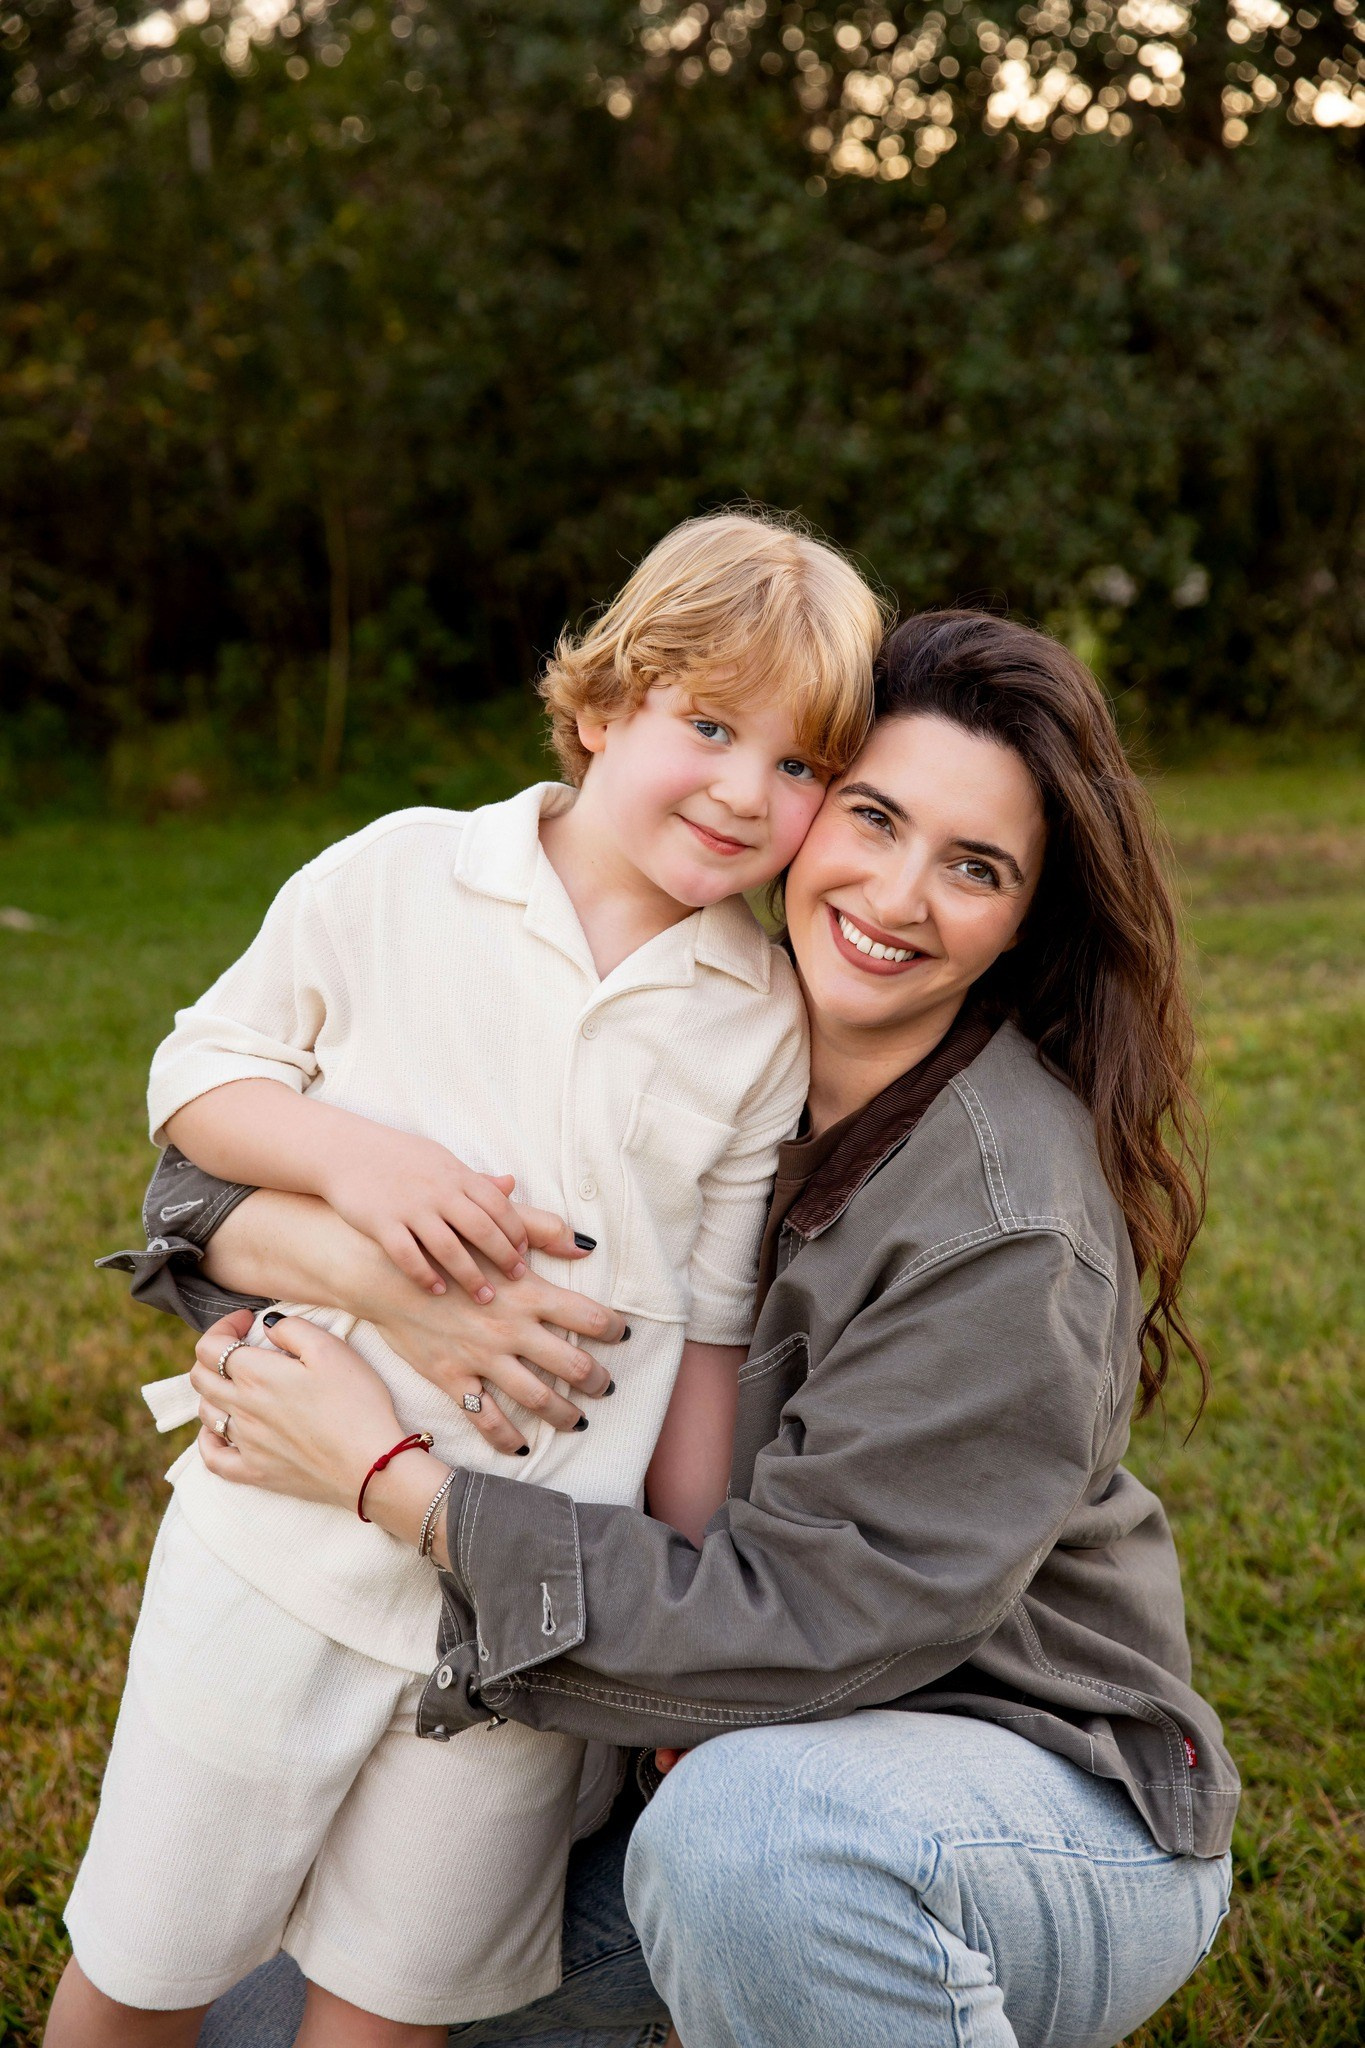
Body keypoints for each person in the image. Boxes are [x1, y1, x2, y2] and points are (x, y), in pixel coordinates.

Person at [102, 612, 1240, 2048]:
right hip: (683, 1754)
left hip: (995, 1781)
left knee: (753, 1853)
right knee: (238, 2031)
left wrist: (388, 1478)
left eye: (975, 868)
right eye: (872, 814)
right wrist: (369, 1272)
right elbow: (203, 1177)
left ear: (1025, 921)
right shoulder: (691, 1026)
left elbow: (809, 1623)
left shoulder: (1003, 1222)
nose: (895, 893)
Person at [47, 510, 887, 2048]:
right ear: (601, 706)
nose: (741, 790)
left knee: (394, 2006)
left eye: (798, 767)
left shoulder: (756, 1014)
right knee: (147, 1967)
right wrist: (352, 1160)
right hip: (275, 1548)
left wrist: (679, 1626)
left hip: (520, 1615)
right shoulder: (403, 872)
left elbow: (705, 1343)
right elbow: (200, 1077)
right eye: (707, 725)